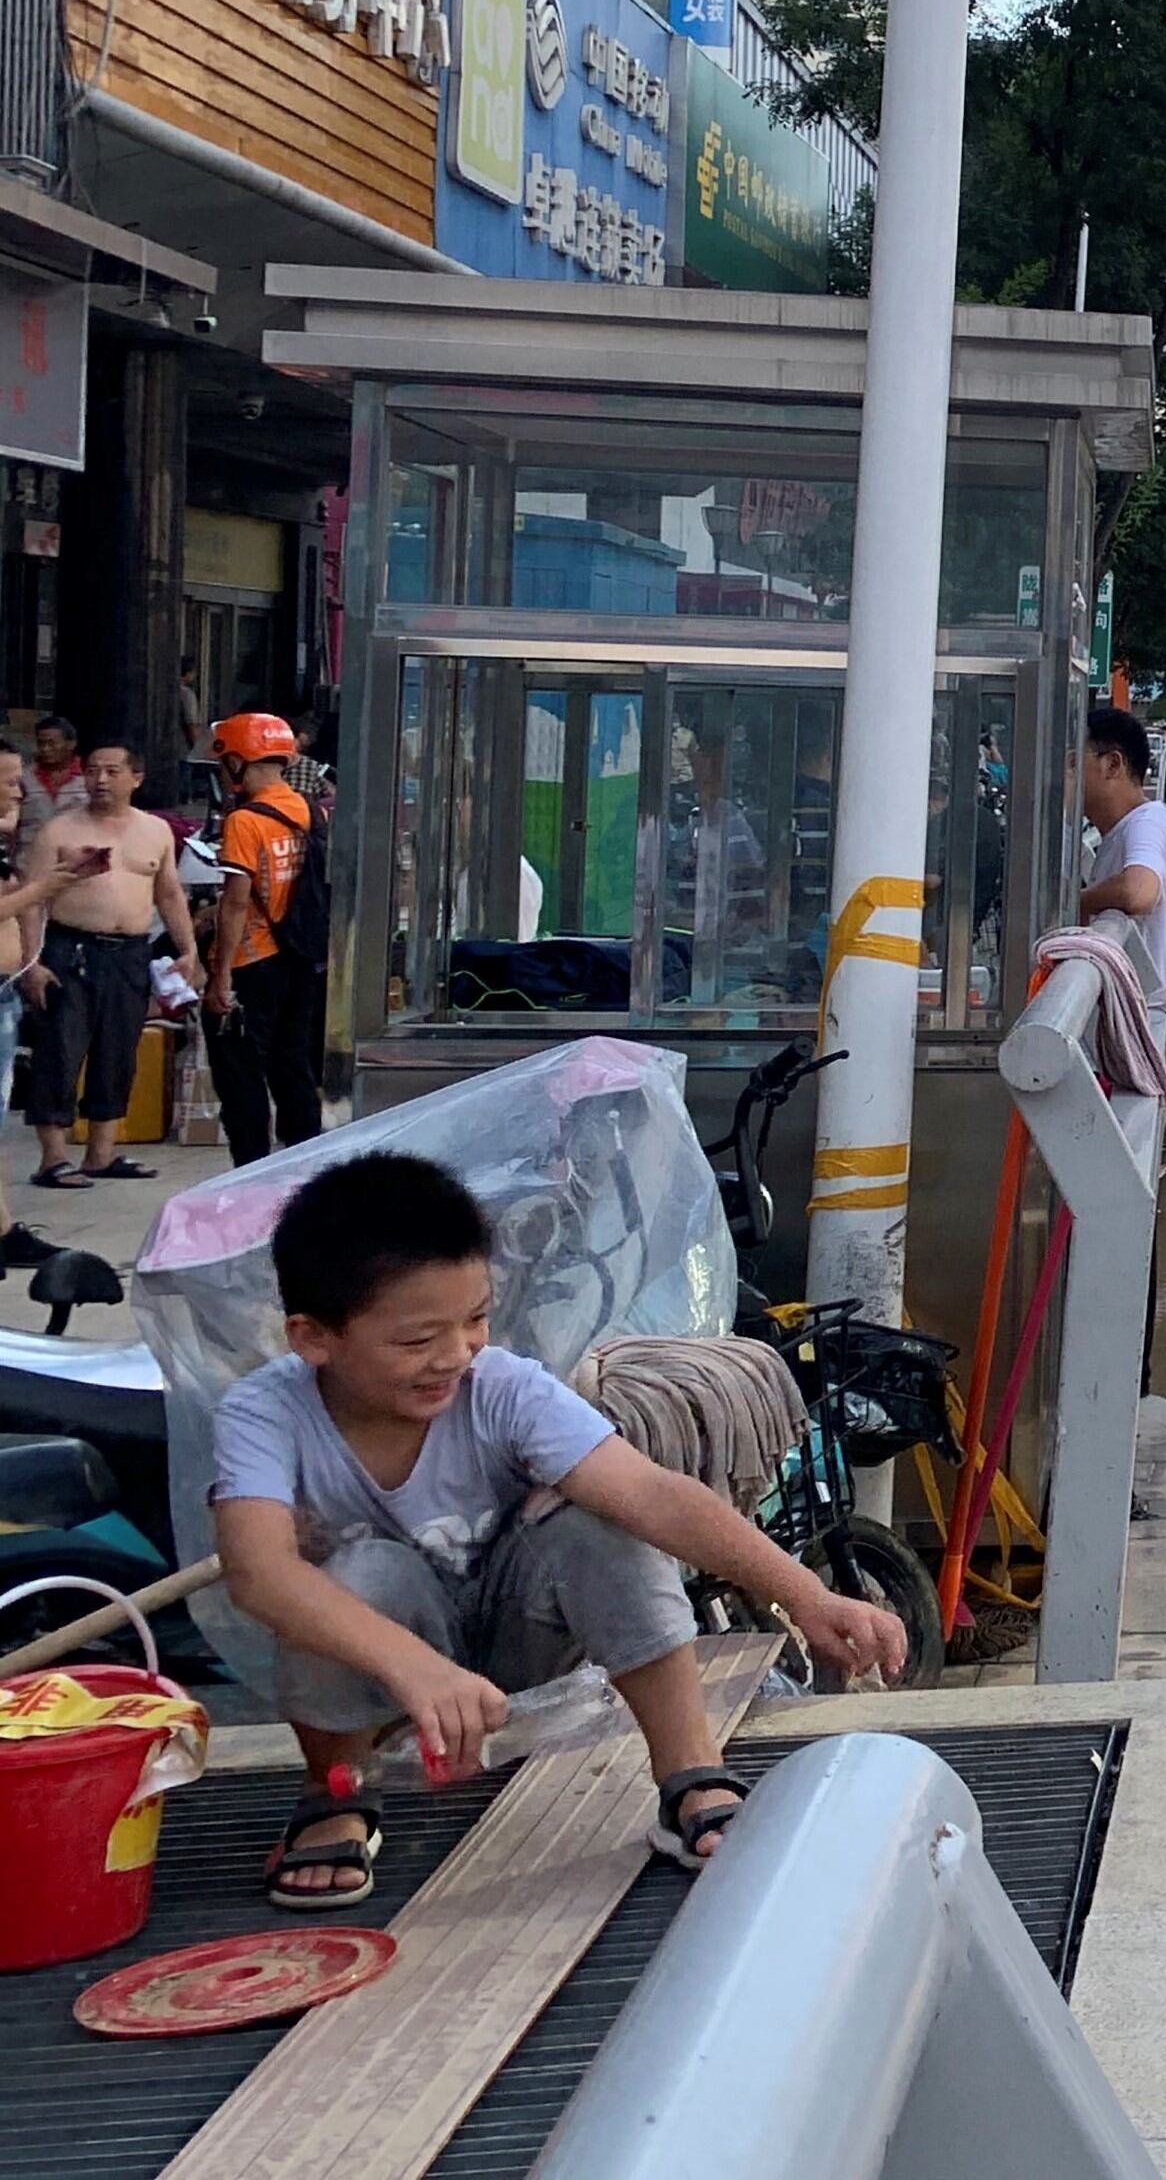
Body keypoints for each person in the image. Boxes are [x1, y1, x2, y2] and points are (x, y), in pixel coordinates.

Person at [211, 1152, 905, 1909]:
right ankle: (333, 1797)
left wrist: (807, 1597)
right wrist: (418, 1669)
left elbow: (653, 1495)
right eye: (417, 1341)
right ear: (314, 1339)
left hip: (522, 1643)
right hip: (391, 1678)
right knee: (343, 1579)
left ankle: (688, 1773)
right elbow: (257, 1573)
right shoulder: (264, 1413)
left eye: (474, 1319)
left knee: (601, 1523)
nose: (454, 1355)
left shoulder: (501, 1387)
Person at [19, 741, 195, 1187]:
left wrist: (188, 949)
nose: (100, 780)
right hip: (69, 949)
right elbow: (31, 903)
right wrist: (32, 963)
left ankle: (101, 1154)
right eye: (94, 771)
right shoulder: (59, 831)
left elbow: (170, 893)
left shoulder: (155, 830)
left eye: (112, 771)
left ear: (136, 778)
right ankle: (53, 1158)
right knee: (60, 1050)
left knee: (118, 1053)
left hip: (131, 951)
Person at [202, 712, 327, 1162]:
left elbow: (236, 902)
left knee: (240, 1076)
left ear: (237, 760)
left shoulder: (244, 821)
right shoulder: (307, 808)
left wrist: (219, 979)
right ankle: (305, 1163)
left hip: (251, 960)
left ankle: (250, 1168)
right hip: (299, 958)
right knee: (292, 1065)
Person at [1073, 705, 1166, 1033]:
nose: (1063, 775)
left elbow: (1138, 892)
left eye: (1074, 762)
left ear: (1112, 764)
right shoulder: (1121, 833)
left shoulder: (1149, 822)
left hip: (1140, 1055)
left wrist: (1077, 902)